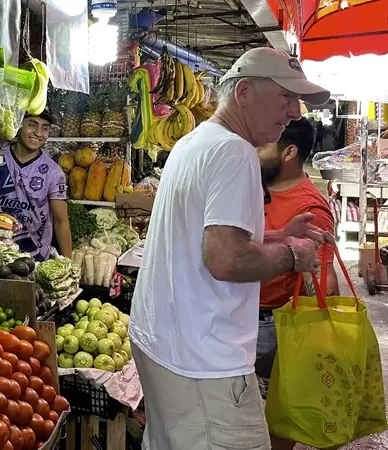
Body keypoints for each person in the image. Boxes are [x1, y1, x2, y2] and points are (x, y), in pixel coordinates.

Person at [128, 47, 332, 450]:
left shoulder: (194, 142)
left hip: (164, 344)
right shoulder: (234, 152)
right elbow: (225, 258)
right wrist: (294, 256)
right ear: (243, 93)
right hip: (204, 362)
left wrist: (275, 235)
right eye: (285, 97)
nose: (295, 111)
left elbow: (199, 235)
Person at [256, 117, 339, 450]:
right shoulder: (256, 182)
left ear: (289, 152)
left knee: (274, 417)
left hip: (270, 324)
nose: (254, 151)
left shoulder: (310, 208)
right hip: (234, 311)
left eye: (263, 146)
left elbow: (322, 283)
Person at [0, 111, 71, 261]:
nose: (38, 133)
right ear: (18, 124)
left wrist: (68, 263)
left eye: (45, 128)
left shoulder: (53, 172)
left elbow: (61, 221)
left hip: (34, 256)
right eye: (32, 125)